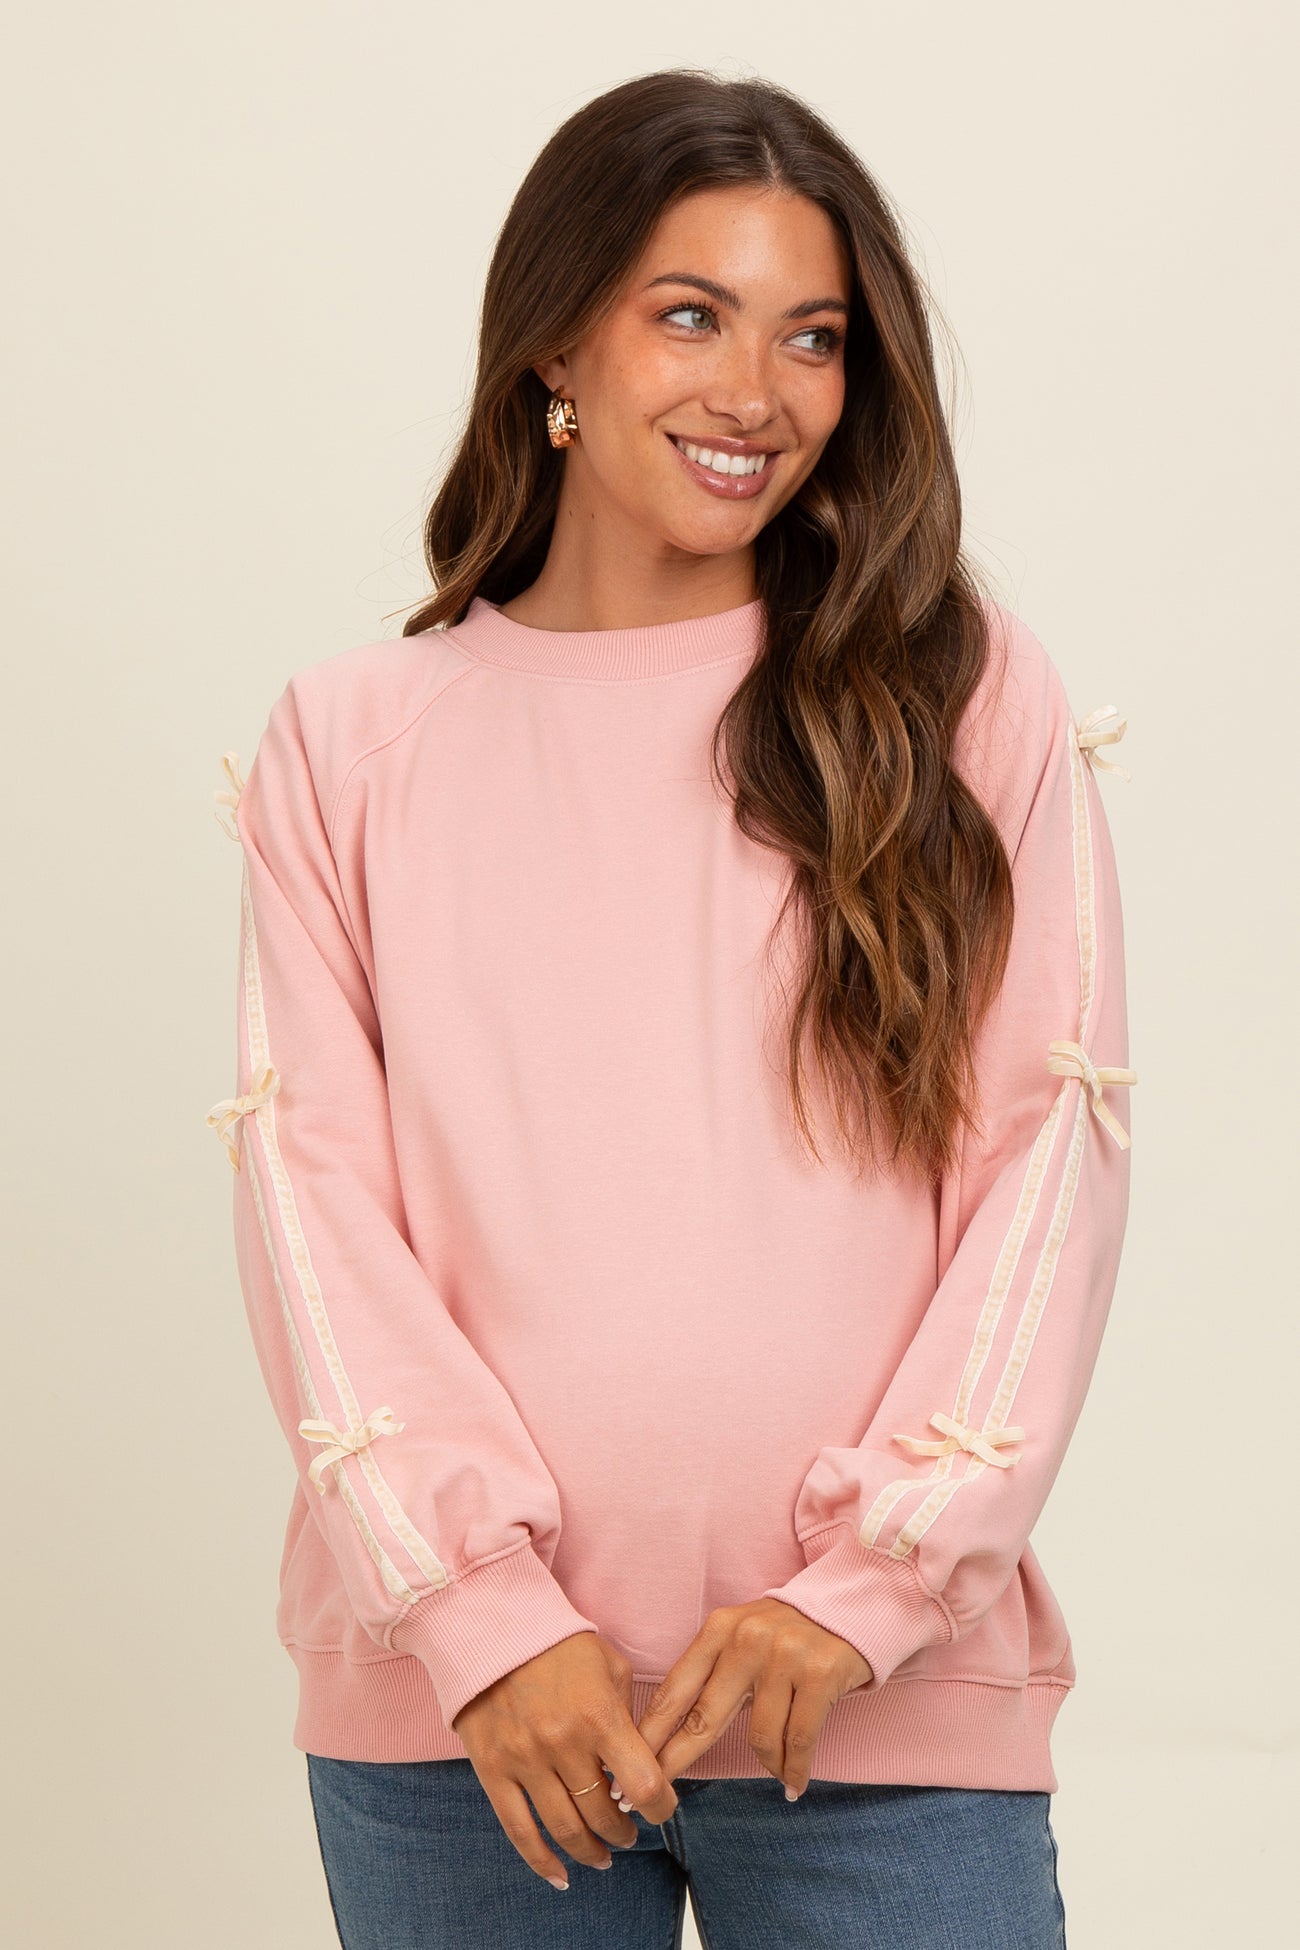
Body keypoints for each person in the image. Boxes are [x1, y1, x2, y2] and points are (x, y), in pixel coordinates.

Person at [206, 67, 1135, 1950]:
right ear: (556, 340)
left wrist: (868, 1587)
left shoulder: (955, 701)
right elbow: (312, 1210)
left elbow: (1050, 1161)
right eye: (691, 315)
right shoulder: (353, 744)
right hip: (468, 1726)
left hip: (873, 1706)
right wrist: (482, 1615)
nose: (759, 392)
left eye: (815, 337)